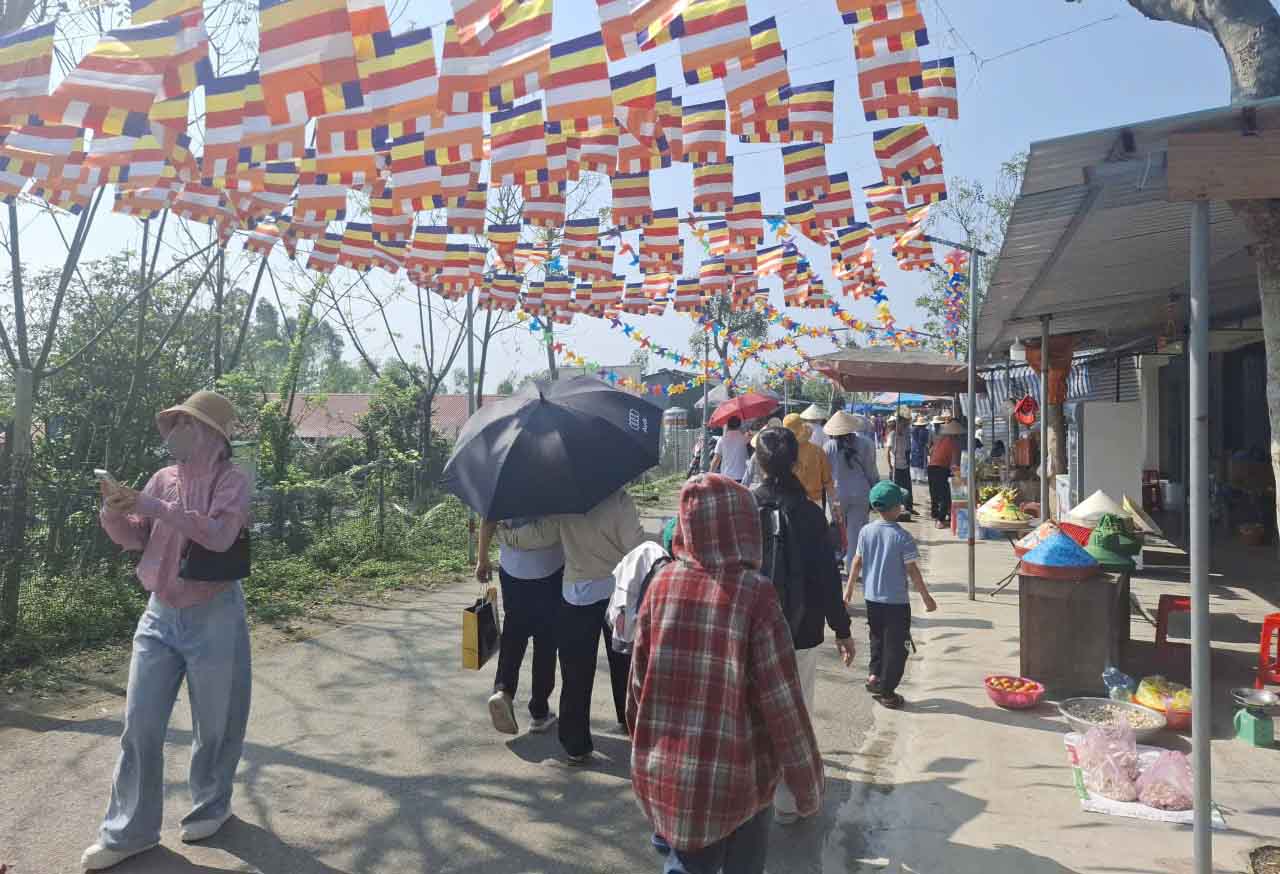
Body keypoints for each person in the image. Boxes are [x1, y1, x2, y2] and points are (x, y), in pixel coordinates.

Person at [83, 391, 252, 871]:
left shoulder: (232, 480)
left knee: (217, 721)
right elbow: (136, 537)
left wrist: (155, 507)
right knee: (140, 723)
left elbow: (218, 535)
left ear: (213, 435)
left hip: (214, 611)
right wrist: (116, 510)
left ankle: (210, 806)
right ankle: (129, 831)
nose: (177, 430)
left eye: (189, 423)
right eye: (175, 421)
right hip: (159, 613)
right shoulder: (163, 480)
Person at [629, 474, 825, 873]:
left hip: (669, 775)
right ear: (743, 525)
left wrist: (645, 746)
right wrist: (807, 786)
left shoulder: (661, 584)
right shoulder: (756, 595)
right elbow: (783, 705)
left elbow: (637, 684)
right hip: (739, 783)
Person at [750, 428, 855, 825]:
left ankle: (752, 792)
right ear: (796, 463)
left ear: (757, 463)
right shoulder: (812, 514)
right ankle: (788, 802)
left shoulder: (745, 507)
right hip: (802, 629)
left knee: (752, 707)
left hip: (751, 630)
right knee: (797, 711)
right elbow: (828, 578)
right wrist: (842, 629)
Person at [554, 488, 646, 764]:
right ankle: (629, 720)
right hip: (617, 590)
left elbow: (549, 540)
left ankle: (575, 742)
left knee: (575, 669)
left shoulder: (562, 499)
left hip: (576, 589)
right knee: (624, 661)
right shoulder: (618, 499)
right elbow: (636, 545)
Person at [844, 482, 937, 710]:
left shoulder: (866, 531)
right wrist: (926, 597)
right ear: (896, 508)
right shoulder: (902, 537)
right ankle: (887, 692)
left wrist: (847, 591)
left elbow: (857, 562)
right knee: (897, 647)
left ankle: (874, 676)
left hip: (872, 600)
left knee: (877, 640)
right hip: (896, 603)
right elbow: (912, 570)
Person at [476, 516, 563, 736]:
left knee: (514, 631)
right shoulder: (556, 483)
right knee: (546, 640)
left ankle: (503, 690)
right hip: (549, 568)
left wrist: (482, 558)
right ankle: (539, 712)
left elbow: (488, 519)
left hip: (512, 568)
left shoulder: (502, 484)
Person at [824, 412, 878, 573]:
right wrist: (874, 489)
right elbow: (871, 471)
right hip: (861, 492)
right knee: (856, 533)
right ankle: (853, 568)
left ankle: (836, 562)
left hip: (836, 495)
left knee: (839, 532)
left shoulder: (828, 447)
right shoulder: (866, 443)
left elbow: (826, 475)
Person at [782, 413, 836, 512]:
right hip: (815, 501)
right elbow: (827, 480)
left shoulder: (782, 453)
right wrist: (835, 504)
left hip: (790, 501)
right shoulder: (818, 451)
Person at [928, 421, 964, 530]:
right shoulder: (954, 443)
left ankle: (935, 515)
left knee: (935, 493)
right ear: (956, 434)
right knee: (945, 496)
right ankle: (940, 519)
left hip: (931, 467)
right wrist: (957, 473)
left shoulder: (940, 439)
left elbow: (931, 451)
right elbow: (954, 463)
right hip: (941, 468)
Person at [885, 415, 914, 519]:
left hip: (904, 465)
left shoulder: (904, 435)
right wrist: (890, 466)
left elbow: (907, 450)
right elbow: (887, 452)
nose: (904, 426)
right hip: (895, 466)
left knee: (907, 487)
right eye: (902, 424)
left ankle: (908, 507)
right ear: (898, 424)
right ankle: (895, 509)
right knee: (896, 489)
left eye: (905, 424)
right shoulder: (892, 435)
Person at [710, 416, 750, 483]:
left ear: (727, 425)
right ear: (739, 425)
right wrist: (748, 431)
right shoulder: (744, 438)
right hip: (742, 475)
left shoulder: (722, 440)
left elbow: (716, 459)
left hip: (726, 477)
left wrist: (709, 475)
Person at [909, 414, 930, 484]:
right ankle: (920, 478)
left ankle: (913, 478)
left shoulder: (913, 430)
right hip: (921, 448)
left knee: (913, 462)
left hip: (914, 447)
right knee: (921, 463)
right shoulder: (925, 431)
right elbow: (926, 441)